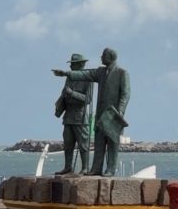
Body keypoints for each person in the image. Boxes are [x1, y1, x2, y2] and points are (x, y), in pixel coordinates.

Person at [52, 48, 130, 176]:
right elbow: (84, 74)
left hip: (113, 115)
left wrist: (120, 111)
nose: (100, 57)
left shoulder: (122, 73)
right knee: (99, 142)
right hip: (100, 115)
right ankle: (96, 169)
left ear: (110, 57)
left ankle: (110, 169)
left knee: (112, 143)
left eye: (103, 55)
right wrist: (66, 74)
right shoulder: (100, 72)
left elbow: (125, 94)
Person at [53, 53, 93, 174]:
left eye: (73, 64)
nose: (71, 67)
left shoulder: (87, 79)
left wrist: (71, 93)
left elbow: (88, 99)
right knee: (68, 144)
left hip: (80, 116)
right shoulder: (69, 78)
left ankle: (85, 168)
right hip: (68, 116)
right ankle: (68, 167)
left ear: (81, 64)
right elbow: (65, 92)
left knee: (83, 145)